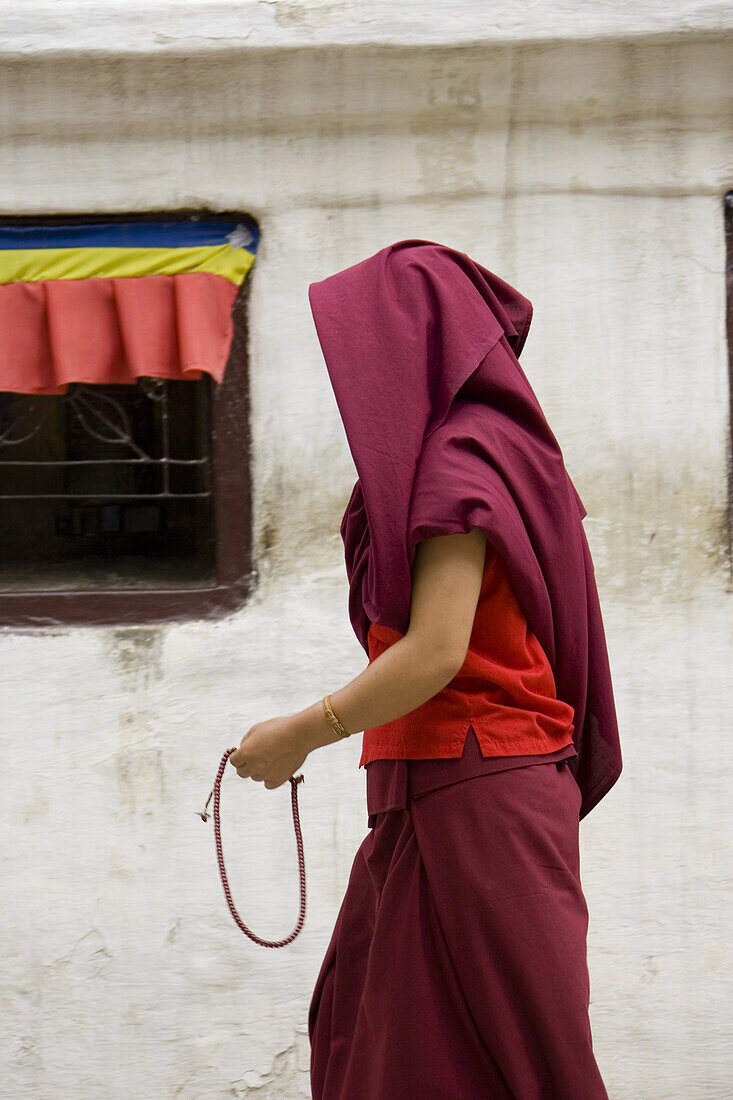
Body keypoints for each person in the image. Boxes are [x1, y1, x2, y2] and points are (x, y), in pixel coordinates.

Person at [229, 240, 622, 1098]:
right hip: (435, 783)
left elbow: (438, 651)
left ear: (409, 343)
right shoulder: (466, 452)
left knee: (532, 1060)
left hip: (482, 782)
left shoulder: (459, 463)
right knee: (382, 1044)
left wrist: (297, 735)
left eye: (361, 347)